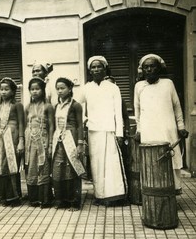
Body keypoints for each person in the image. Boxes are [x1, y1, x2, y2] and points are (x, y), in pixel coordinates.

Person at [134, 54, 189, 194]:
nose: (149, 69)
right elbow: (137, 110)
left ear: (159, 68)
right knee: (152, 159)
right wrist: (139, 130)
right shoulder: (139, 86)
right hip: (148, 130)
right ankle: (153, 192)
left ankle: (172, 191)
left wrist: (181, 127)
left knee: (170, 158)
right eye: (146, 67)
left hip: (167, 128)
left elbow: (177, 106)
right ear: (142, 70)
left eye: (152, 66)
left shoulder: (168, 83)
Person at [79, 56, 128, 206]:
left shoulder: (113, 87)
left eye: (99, 66)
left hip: (110, 131)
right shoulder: (86, 88)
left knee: (111, 164)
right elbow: (78, 106)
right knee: (97, 164)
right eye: (93, 67)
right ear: (89, 70)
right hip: (94, 131)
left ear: (105, 68)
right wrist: (85, 119)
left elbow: (118, 112)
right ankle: (100, 196)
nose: (96, 70)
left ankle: (115, 196)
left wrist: (119, 133)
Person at [52, 77, 85, 211]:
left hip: (71, 138)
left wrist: (80, 144)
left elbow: (80, 125)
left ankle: (74, 202)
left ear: (70, 89)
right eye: (58, 88)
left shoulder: (75, 105)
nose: (59, 91)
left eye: (62, 88)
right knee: (58, 169)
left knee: (71, 169)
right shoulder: (57, 105)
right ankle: (61, 200)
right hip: (59, 140)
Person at [25, 77, 54, 208]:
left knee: (43, 166)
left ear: (43, 90)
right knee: (31, 167)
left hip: (43, 138)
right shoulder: (28, 107)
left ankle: (45, 199)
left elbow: (52, 126)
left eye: (37, 89)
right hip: (30, 141)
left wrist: (50, 143)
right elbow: (26, 124)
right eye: (32, 89)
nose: (35, 92)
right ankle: (34, 198)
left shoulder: (48, 106)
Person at [0, 77, 24, 207]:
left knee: (12, 165)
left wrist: (21, 140)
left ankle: (14, 197)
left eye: (7, 89)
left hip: (13, 137)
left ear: (13, 91)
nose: (3, 92)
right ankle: (5, 196)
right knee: (2, 165)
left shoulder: (17, 105)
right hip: (0, 138)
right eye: (1, 89)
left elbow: (21, 123)